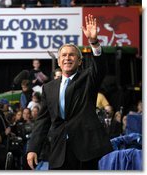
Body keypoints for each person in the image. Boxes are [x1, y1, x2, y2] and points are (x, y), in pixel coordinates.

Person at [26, 14, 113, 170]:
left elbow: (100, 68)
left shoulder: (87, 78)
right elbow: (43, 120)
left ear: (79, 61)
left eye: (71, 55)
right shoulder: (48, 87)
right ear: (59, 61)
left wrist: (93, 42)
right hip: (59, 151)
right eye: (63, 55)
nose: (67, 58)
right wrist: (33, 148)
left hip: (86, 150)